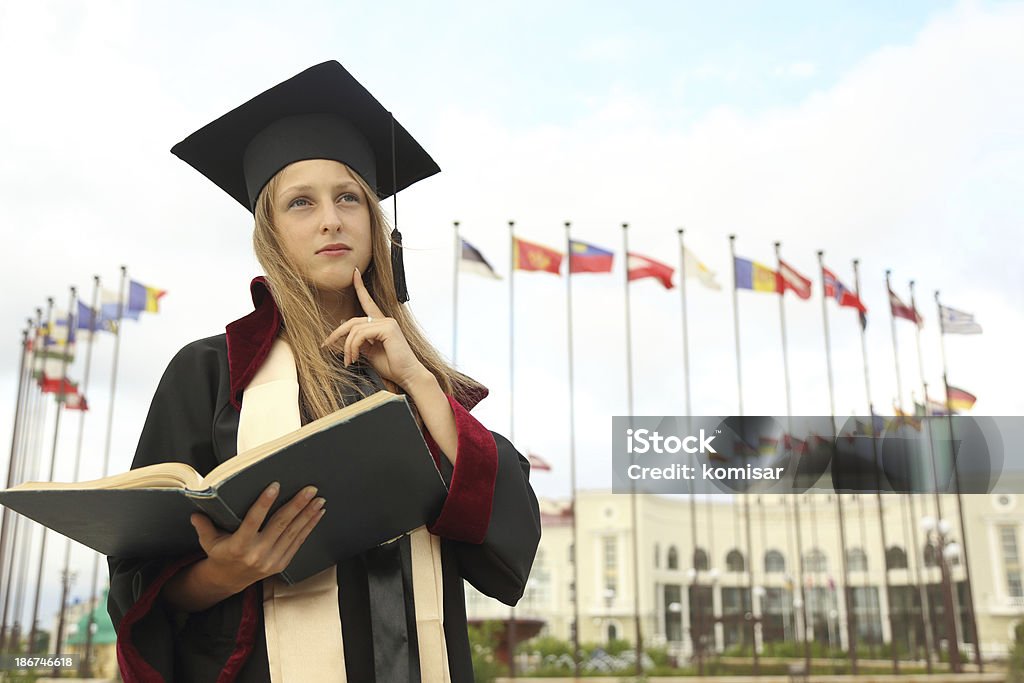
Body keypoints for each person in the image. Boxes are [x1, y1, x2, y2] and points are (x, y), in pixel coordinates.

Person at [107, 61, 541, 683]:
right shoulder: (211, 372)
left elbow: (508, 534)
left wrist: (418, 382)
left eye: (348, 198)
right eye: (301, 203)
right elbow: (138, 589)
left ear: (372, 221)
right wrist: (227, 572)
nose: (331, 220)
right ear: (272, 234)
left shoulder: (417, 380)